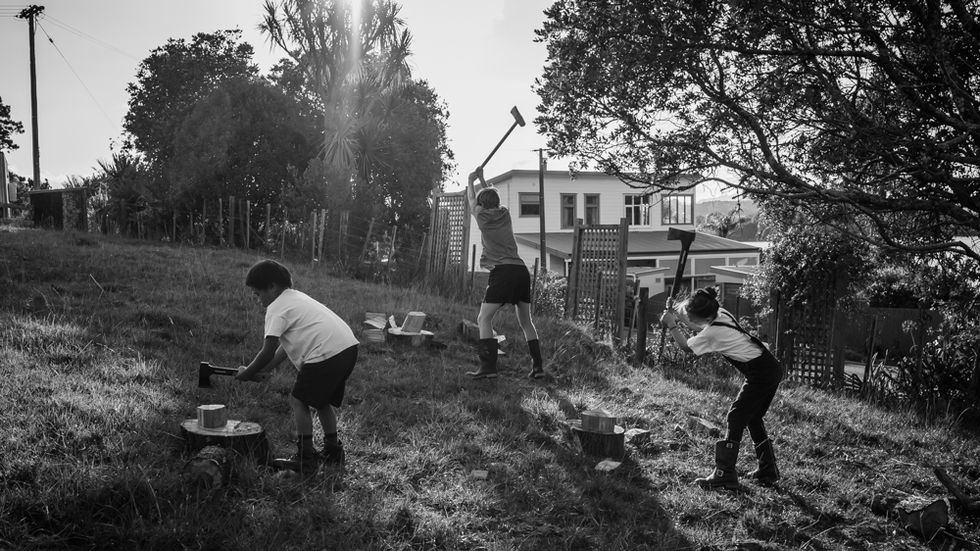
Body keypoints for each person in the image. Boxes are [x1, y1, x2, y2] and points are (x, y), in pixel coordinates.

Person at [237, 259, 359, 473]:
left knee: (298, 399)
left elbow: (268, 350)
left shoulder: (276, 307)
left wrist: (248, 372)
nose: (257, 300)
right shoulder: (296, 298)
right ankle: (333, 452)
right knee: (323, 401)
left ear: (272, 287)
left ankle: (305, 458)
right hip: (346, 348)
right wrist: (265, 369)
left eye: (258, 294)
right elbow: (283, 348)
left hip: (325, 352)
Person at [659, 287, 783, 489]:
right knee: (752, 418)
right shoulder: (720, 313)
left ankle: (724, 474)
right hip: (770, 367)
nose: (688, 320)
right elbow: (695, 321)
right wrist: (674, 313)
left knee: (736, 417)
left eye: (690, 317)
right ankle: (767, 469)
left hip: (761, 373)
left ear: (699, 317)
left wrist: (672, 324)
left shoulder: (714, 333)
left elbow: (687, 347)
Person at [465, 166, 544, 379]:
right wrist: (482, 179)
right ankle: (538, 368)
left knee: (484, 318)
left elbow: (473, 200)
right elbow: (490, 196)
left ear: (482, 204)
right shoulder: (505, 213)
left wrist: (470, 180)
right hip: (520, 271)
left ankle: (488, 367)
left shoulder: (481, 216)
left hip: (503, 272)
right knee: (526, 322)